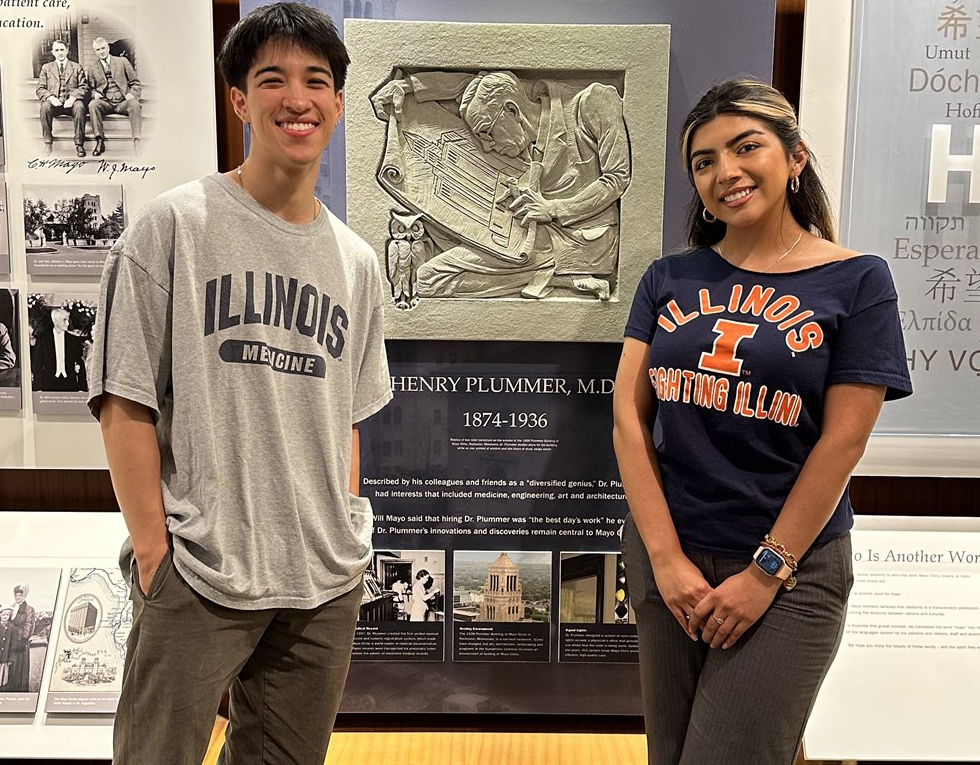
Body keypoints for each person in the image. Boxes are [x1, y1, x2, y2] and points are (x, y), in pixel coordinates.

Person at [90, 1, 392, 765]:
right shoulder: (173, 228)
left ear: (338, 102)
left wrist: (345, 529)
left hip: (321, 579)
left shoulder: (356, 263)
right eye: (273, 79)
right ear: (240, 100)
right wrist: (156, 555)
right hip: (199, 569)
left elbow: (347, 419)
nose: (298, 99)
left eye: (316, 81)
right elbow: (124, 401)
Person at [613, 80, 912, 765]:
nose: (726, 173)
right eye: (705, 161)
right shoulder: (669, 277)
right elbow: (628, 420)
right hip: (673, 563)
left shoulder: (858, 280)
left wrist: (766, 571)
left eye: (746, 148)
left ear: (796, 156)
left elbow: (843, 443)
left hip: (789, 574)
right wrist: (664, 561)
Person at [372, 70, 630, 300]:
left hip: (583, 241)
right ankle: (556, 277)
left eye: (486, 132)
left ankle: (561, 276)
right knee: (429, 273)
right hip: (519, 233)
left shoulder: (592, 103)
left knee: (427, 279)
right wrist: (406, 87)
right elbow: (469, 85)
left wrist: (552, 209)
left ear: (512, 111)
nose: (487, 145)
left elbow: (617, 178)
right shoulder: (518, 121)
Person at [86, 36, 143, 156]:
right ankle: (99, 141)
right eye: (98, 50)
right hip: (106, 102)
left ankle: (137, 141)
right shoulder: (92, 68)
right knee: (92, 105)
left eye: (103, 48)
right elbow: (90, 89)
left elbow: (136, 83)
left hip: (123, 102)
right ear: (95, 51)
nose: (101, 51)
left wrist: (131, 94)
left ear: (108, 47)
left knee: (135, 104)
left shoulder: (122, 61)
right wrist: (95, 93)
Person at [36, 39, 89, 157]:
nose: (60, 53)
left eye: (62, 50)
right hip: (55, 104)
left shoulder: (76, 67)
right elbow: (40, 89)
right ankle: (48, 143)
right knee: (44, 107)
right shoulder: (46, 68)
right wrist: (50, 97)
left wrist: (73, 97)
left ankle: (79, 144)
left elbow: (84, 87)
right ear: (52, 52)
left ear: (67, 51)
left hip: (71, 104)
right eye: (57, 50)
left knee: (80, 107)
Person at [31, 305, 88, 392]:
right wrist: (38, 388)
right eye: (64, 320)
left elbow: (80, 365)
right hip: (48, 385)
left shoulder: (74, 341)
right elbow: (37, 364)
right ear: (55, 321)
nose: (68, 323)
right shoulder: (43, 339)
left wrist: (82, 388)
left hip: (70, 384)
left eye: (68, 320)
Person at [7, 585, 36, 692]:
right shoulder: (12, 607)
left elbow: (29, 624)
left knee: (19, 667)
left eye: (20, 595)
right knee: (10, 666)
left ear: (24, 596)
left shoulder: (29, 609)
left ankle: (19, 690)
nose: (18, 597)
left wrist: (24, 640)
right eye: (17, 595)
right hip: (10, 641)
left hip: (20, 642)